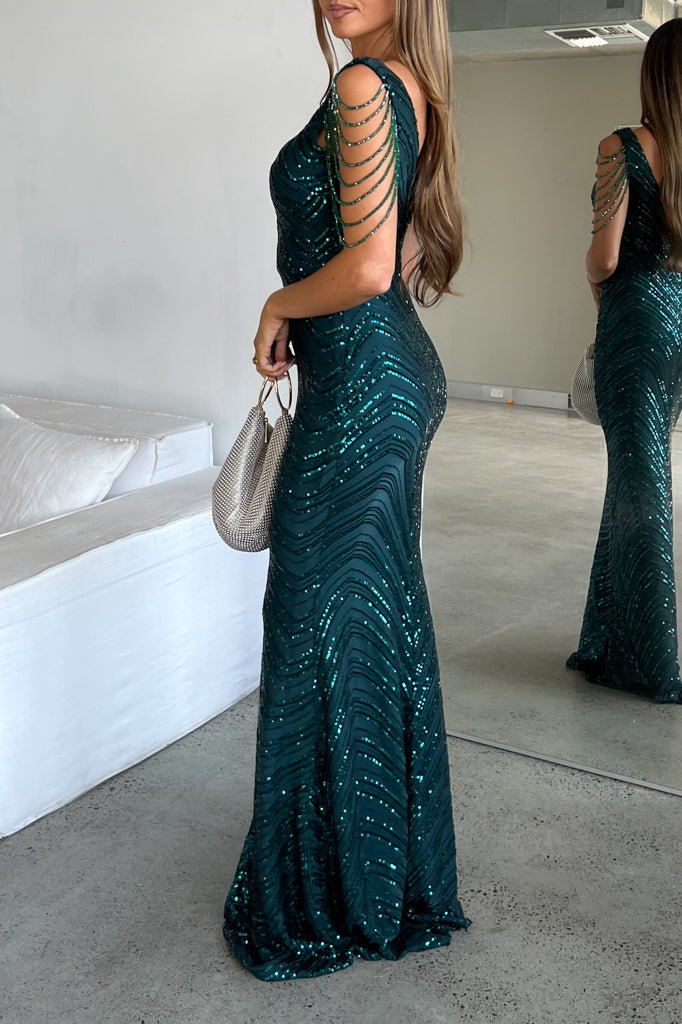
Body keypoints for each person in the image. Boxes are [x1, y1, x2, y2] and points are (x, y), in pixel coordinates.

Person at [223, 0, 470, 981]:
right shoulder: (414, 88)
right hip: (381, 380)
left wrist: (279, 302)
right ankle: (378, 879)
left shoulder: (365, 85)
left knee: (311, 624)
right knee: (369, 624)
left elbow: (370, 266)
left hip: (364, 393)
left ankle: (329, 892)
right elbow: (402, 249)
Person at [567, 18, 682, 704]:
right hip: (677, 322)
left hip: (634, 321)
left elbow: (605, 258)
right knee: (636, 477)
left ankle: (651, 660)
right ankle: (609, 639)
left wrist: (596, 282)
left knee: (641, 485)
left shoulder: (623, 146)